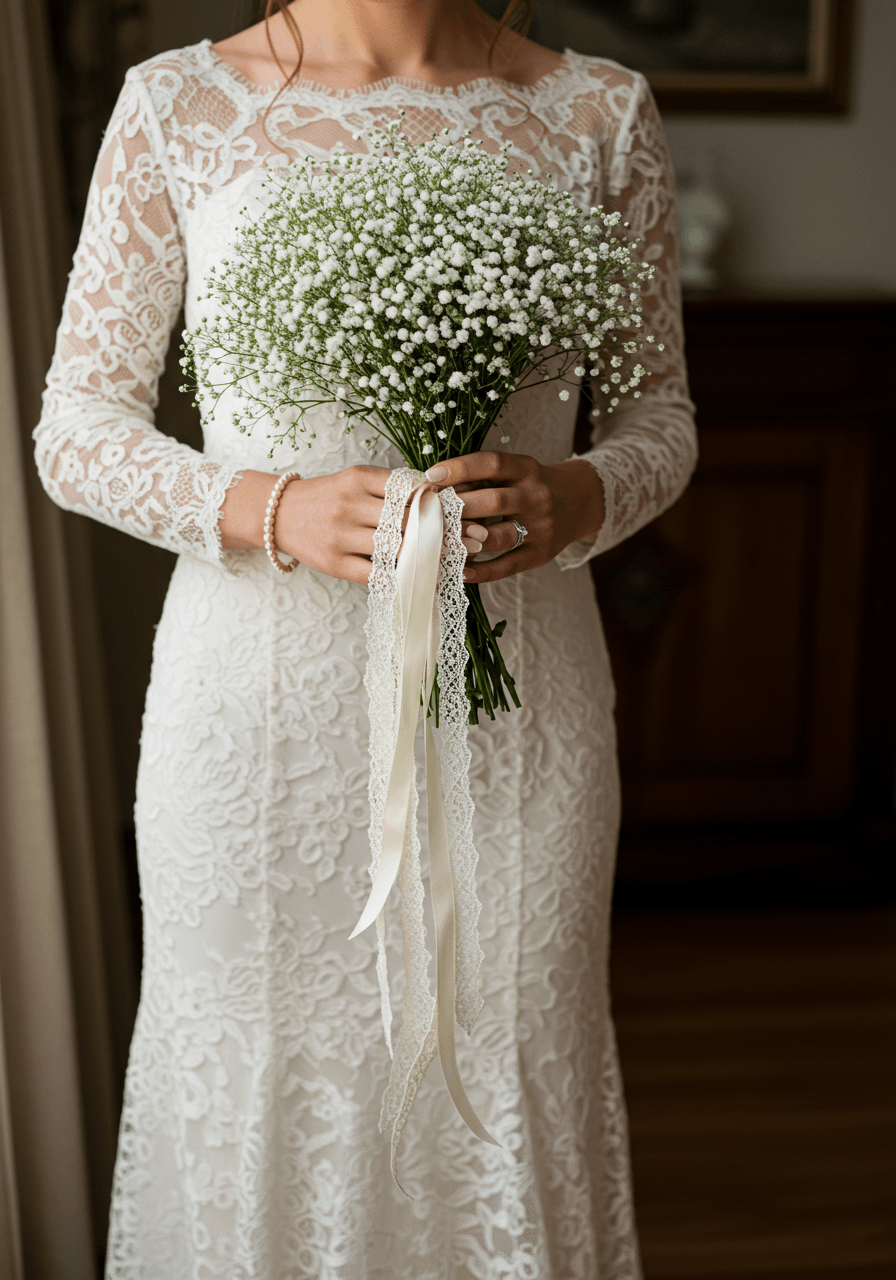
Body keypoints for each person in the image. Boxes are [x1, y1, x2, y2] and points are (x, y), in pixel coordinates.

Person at [34, 0, 697, 1274]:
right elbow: (76, 426)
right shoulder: (179, 103)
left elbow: (659, 419)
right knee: (255, 1067)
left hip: (515, 708)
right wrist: (272, 506)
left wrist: (580, 495)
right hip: (257, 716)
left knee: (508, 1047)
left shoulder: (597, 111)